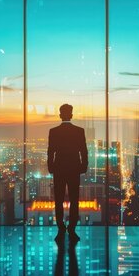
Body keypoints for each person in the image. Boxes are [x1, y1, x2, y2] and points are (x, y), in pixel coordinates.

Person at [47, 103, 88, 243]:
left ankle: (61, 228)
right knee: (74, 199)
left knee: (58, 200)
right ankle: (72, 229)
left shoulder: (53, 131)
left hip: (58, 169)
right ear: (71, 115)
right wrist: (84, 166)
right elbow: (83, 150)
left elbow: (50, 151)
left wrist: (50, 167)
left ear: (60, 115)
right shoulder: (79, 131)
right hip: (74, 169)